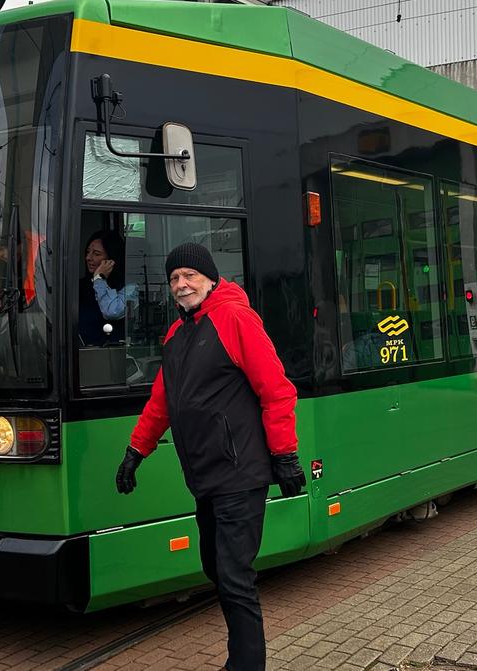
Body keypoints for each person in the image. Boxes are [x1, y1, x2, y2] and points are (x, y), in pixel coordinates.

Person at [114, 243, 307, 671]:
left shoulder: (235, 317)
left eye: (189, 275)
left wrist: (286, 456)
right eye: (173, 279)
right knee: (216, 568)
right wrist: (135, 451)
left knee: (235, 578)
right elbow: (161, 401)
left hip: (240, 471)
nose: (181, 285)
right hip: (205, 476)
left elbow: (276, 390)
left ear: (210, 278)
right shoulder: (177, 334)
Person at [79, 230, 136, 345]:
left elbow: (112, 312)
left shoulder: (129, 288)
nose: (88, 258)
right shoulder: (81, 286)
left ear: (111, 259)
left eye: (96, 254)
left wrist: (99, 280)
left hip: (112, 354)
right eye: (88, 252)